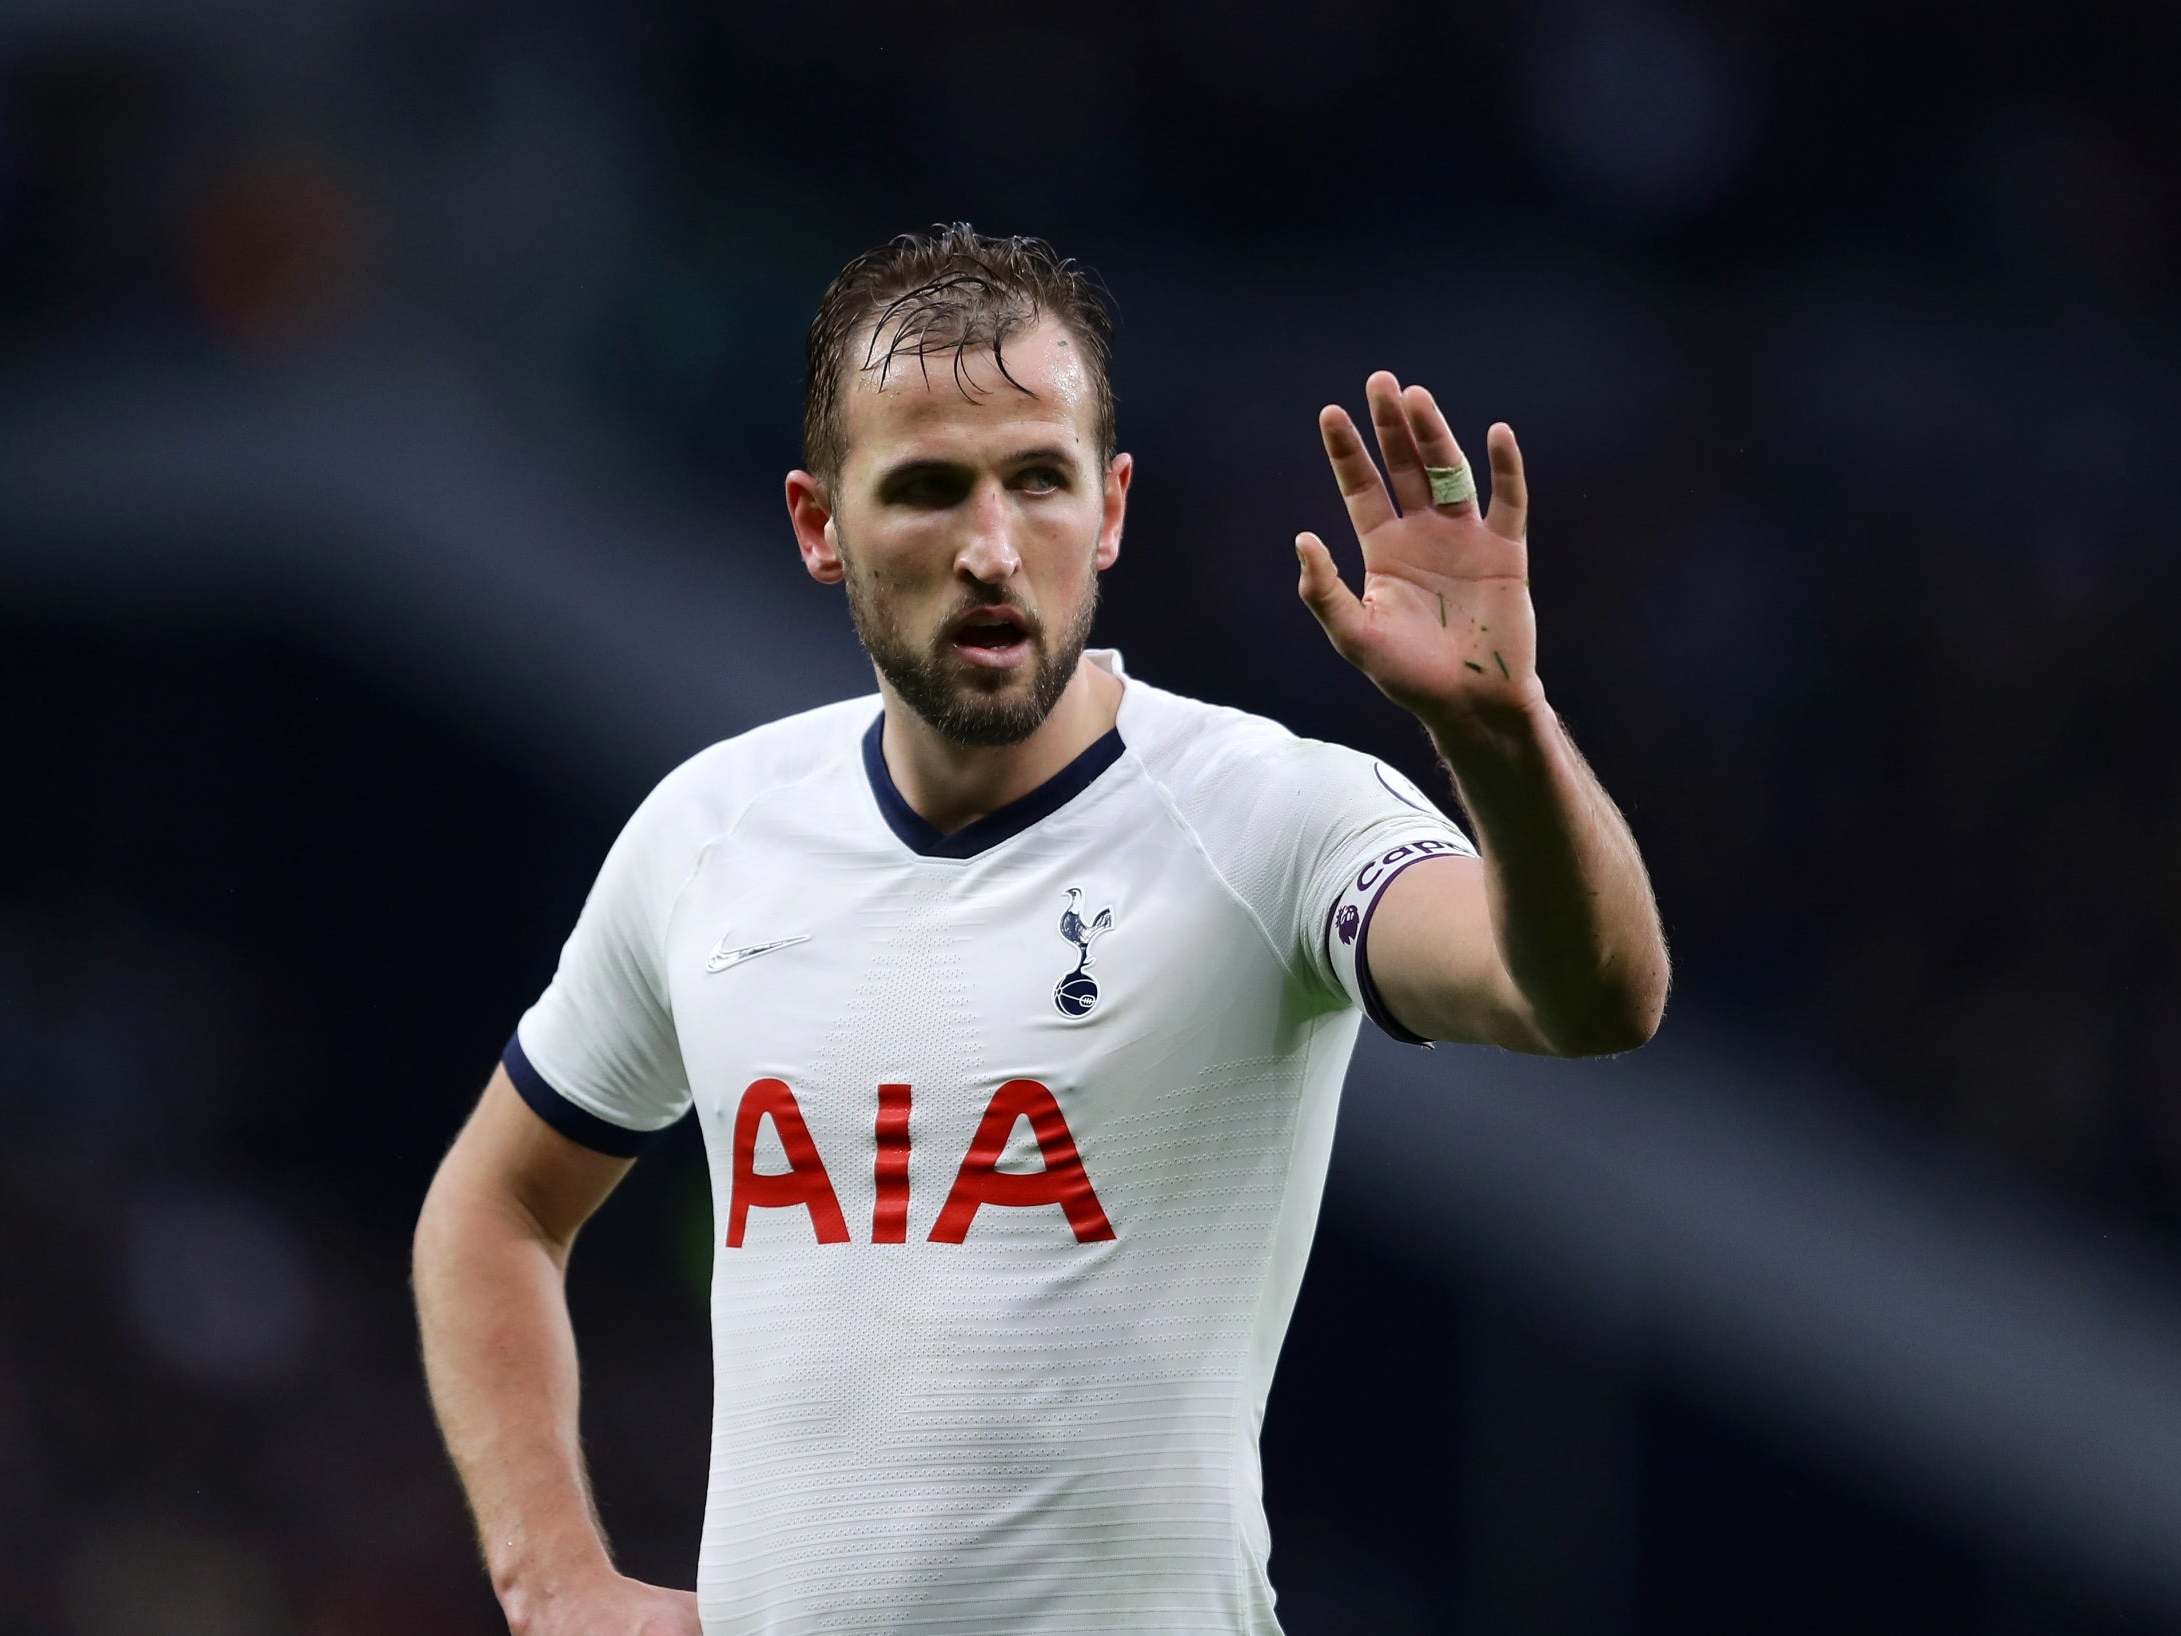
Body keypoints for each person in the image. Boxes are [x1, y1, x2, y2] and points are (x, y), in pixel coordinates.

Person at [413, 223, 1669, 1636]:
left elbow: (1585, 997)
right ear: (817, 524)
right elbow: (495, 1206)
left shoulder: (1265, 817)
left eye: (1038, 482)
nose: (993, 549)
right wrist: (551, 1582)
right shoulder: (710, 835)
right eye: (929, 491)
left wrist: (1501, 739)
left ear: (1113, 508)